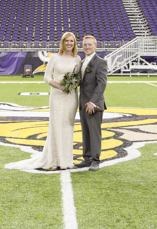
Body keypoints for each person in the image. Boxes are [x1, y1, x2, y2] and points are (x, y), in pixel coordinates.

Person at [6, 32, 80, 171]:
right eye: (67, 41)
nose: (69, 43)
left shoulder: (77, 59)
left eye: (72, 41)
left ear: (74, 43)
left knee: (68, 127)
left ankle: (66, 160)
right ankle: (54, 159)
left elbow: (78, 77)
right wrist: (60, 86)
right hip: (57, 96)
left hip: (71, 97)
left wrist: (73, 85)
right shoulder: (54, 58)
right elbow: (46, 77)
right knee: (56, 126)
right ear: (62, 42)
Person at [75, 34, 108, 172]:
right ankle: (87, 158)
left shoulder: (101, 62)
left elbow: (101, 84)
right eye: (85, 44)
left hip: (94, 105)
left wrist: (92, 102)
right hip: (83, 103)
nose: (87, 47)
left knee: (94, 133)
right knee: (86, 132)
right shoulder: (82, 62)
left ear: (96, 45)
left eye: (90, 44)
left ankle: (95, 160)